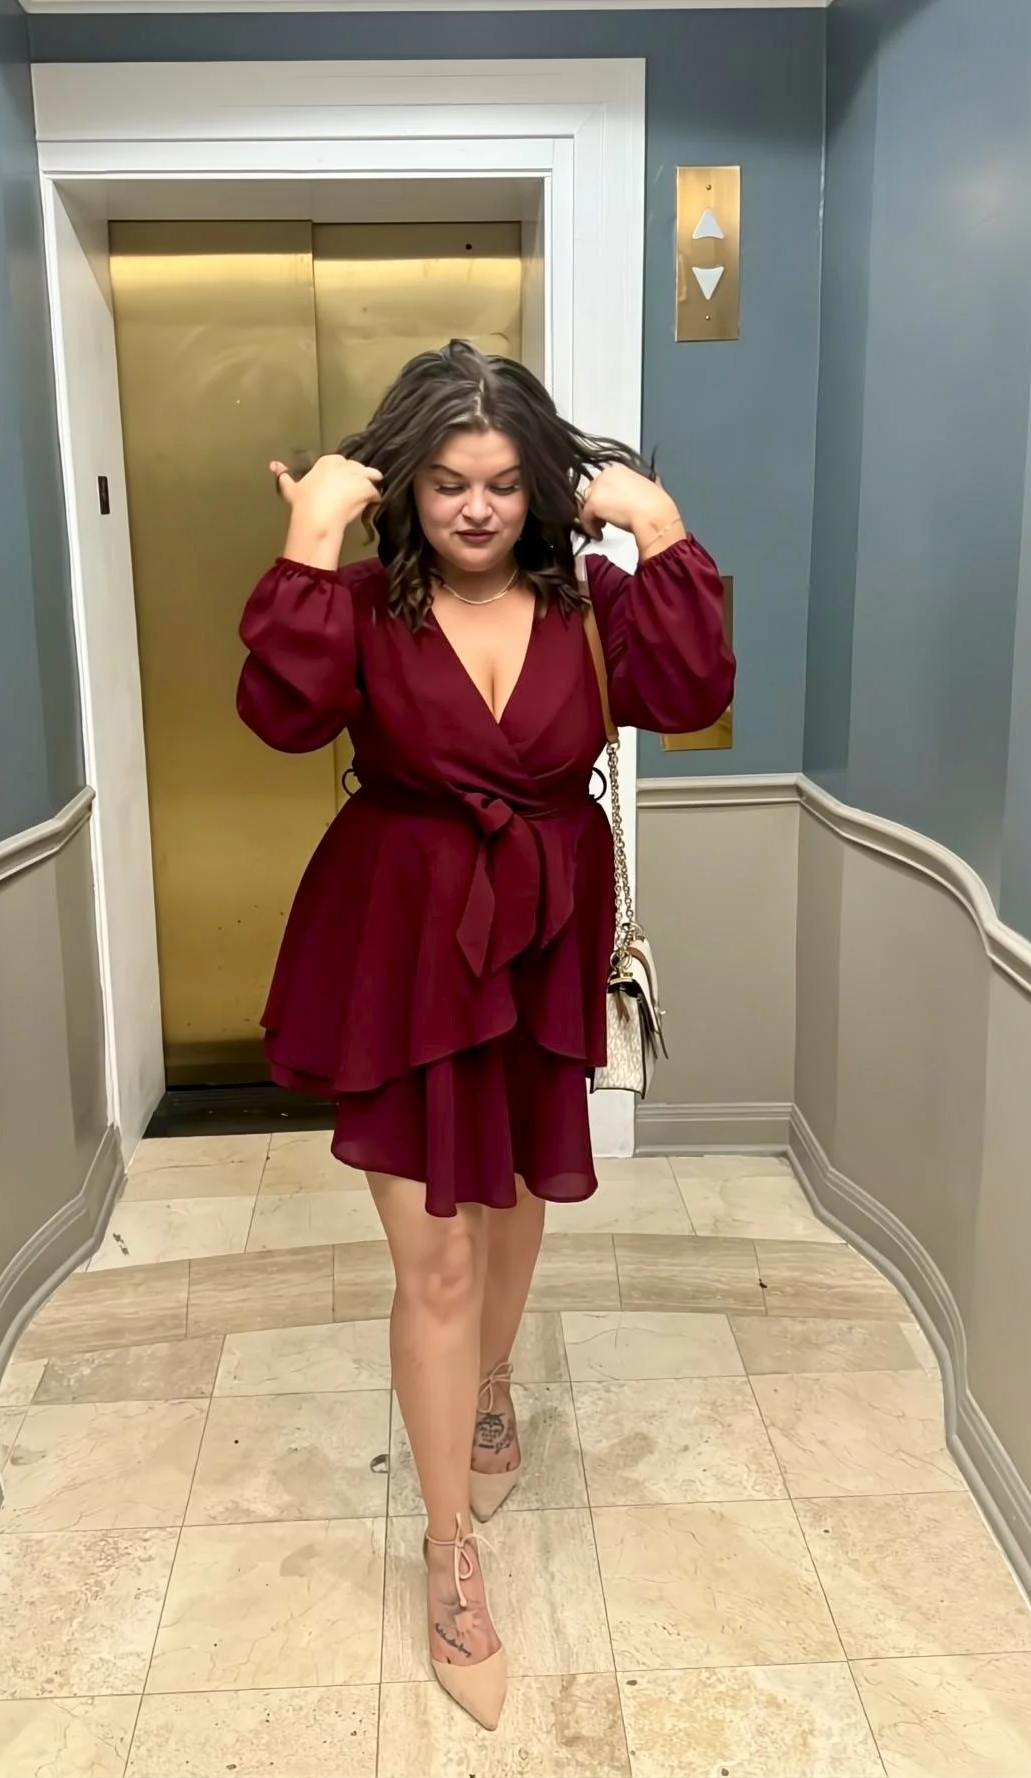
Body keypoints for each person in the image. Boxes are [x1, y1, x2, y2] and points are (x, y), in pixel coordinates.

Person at [237, 340, 735, 1731]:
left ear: (540, 489)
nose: (473, 507)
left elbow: (691, 693)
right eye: (447, 482)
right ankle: (449, 1543)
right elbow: (280, 716)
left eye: (503, 484)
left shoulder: (588, 610)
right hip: (398, 945)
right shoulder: (356, 606)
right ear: (409, 486)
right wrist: (305, 535)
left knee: (514, 1198)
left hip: (540, 938)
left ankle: (494, 1384)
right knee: (434, 1251)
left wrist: (661, 528)